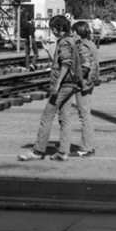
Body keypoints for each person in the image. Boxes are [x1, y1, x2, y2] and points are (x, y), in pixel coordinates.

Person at [18, 15, 81, 161]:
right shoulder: (71, 40)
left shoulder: (64, 42)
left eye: (53, 28)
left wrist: (57, 84)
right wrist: (48, 50)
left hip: (63, 85)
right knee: (65, 117)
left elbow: (66, 63)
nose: (52, 31)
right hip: (71, 84)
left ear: (60, 28)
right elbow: (62, 60)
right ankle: (63, 151)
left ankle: (37, 151)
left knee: (47, 116)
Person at [71, 21, 100, 156]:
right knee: (86, 115)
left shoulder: (83, 47)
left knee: (84, 116)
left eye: (73, 32)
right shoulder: (90, 43)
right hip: (90, 82)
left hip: (83, 84)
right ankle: (88, 146)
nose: (72, 34)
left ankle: (86, 148)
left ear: (78, 32)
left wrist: (77, 79)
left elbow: (86, 65)